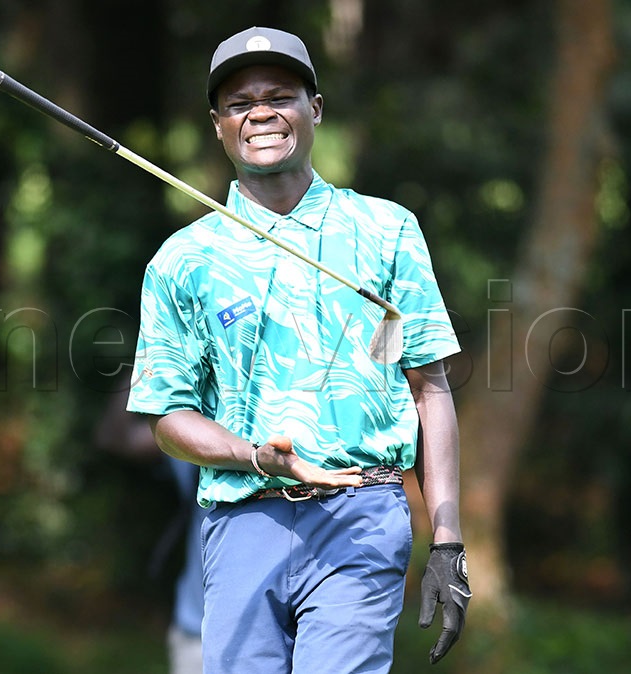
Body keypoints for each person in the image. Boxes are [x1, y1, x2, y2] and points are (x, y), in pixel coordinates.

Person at [127, 26, 471, 673]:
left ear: (314, 109)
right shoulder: (183, 260)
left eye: (280, 94)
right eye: (239, 102)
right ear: (218, 125)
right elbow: (168, 418)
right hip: (239, 522)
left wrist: (447, 538)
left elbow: (430, 388)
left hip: (361, 515)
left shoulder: (387, 229)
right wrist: (257, 456)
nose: (260, 111)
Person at [94, 377, 205, 674]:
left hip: (279, 633)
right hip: (198, 634)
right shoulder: (195, 436)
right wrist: (148, 356)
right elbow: (116, 437)